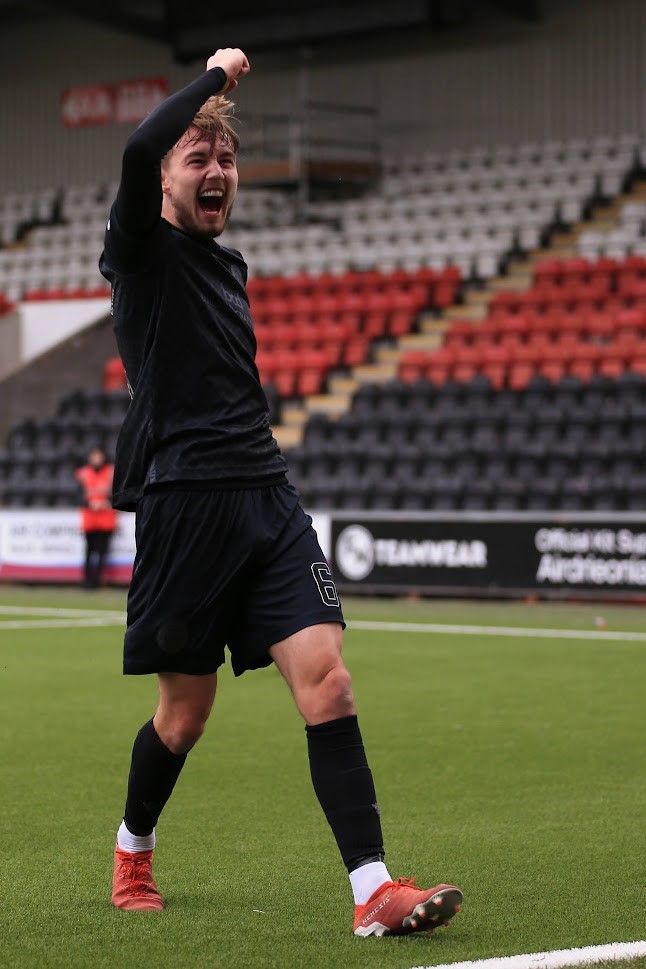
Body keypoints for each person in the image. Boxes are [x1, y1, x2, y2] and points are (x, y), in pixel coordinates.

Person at [99, 47, 463, 937]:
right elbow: (137, 148)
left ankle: (372, 891)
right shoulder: (138, 253)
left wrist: (210, 118)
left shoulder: (233, 267)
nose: (216, 170)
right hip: (185, 508)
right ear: (166, 180)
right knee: (184, 718)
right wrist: (214, 79)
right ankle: (133, 845)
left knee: (329, 683)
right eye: (199, 157)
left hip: (266, 500)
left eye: (225, 159)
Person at [74, 446, 117, 589]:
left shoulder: (111, 471)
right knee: (89, 550)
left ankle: (96, 580)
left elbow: (119, 490)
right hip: (90, 518)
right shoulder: (83, 473)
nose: (96, 459)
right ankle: (86, 579)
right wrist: (89, 503)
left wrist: (107, 502)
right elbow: (77, 494)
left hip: (106, 518)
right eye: (94, 456)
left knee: (102, 551)